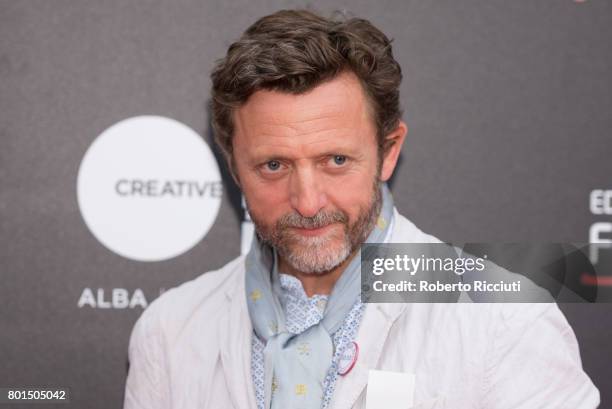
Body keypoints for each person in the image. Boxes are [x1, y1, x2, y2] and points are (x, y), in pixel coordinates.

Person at [123, 9, 599, 409]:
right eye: (273, 165)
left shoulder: (504, 321)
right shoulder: (169, 332)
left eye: (336, 161)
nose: (308, 202)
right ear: (233, 164)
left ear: (388, 151)